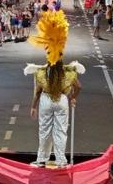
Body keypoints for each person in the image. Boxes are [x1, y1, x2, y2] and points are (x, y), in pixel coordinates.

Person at [27, 10, 82, 167]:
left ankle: (41, 159)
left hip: (45, 100)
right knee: (60, 132)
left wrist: (33, 107)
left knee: (44, 131)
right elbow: (79, 86)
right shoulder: (68, 72)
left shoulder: (43, 71)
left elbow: (37, 91)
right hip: (62, 101)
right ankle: (61, 161)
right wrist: (73, 97)